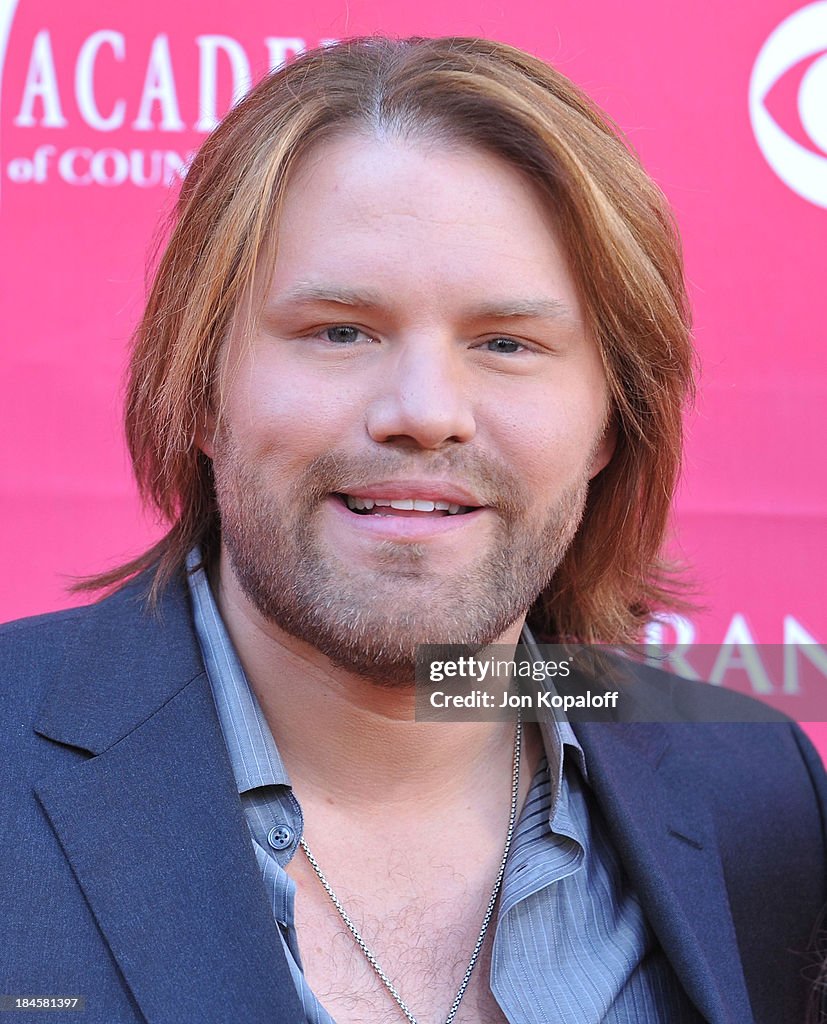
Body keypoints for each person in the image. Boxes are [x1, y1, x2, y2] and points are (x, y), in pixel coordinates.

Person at [1, 36, 824, 1024]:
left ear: (610, 422)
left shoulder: (759, 798)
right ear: (201, 392)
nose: (425, 409)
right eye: (339, 329)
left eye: (505, 342)